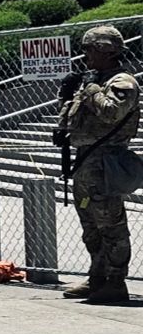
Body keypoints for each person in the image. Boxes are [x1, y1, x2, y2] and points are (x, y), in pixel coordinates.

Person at [57, 25, 140, 305]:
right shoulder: (93, 80)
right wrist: (66, 99)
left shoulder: (122, 82)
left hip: (106, 163)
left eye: (90, 49)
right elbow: (73, 116)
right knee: (90, 225)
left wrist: (91, 89)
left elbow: (111, 112)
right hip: (85, 163)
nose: (85, 55)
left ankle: (116, 282)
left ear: (107, 50)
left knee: (111, 225)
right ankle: (97, 277)